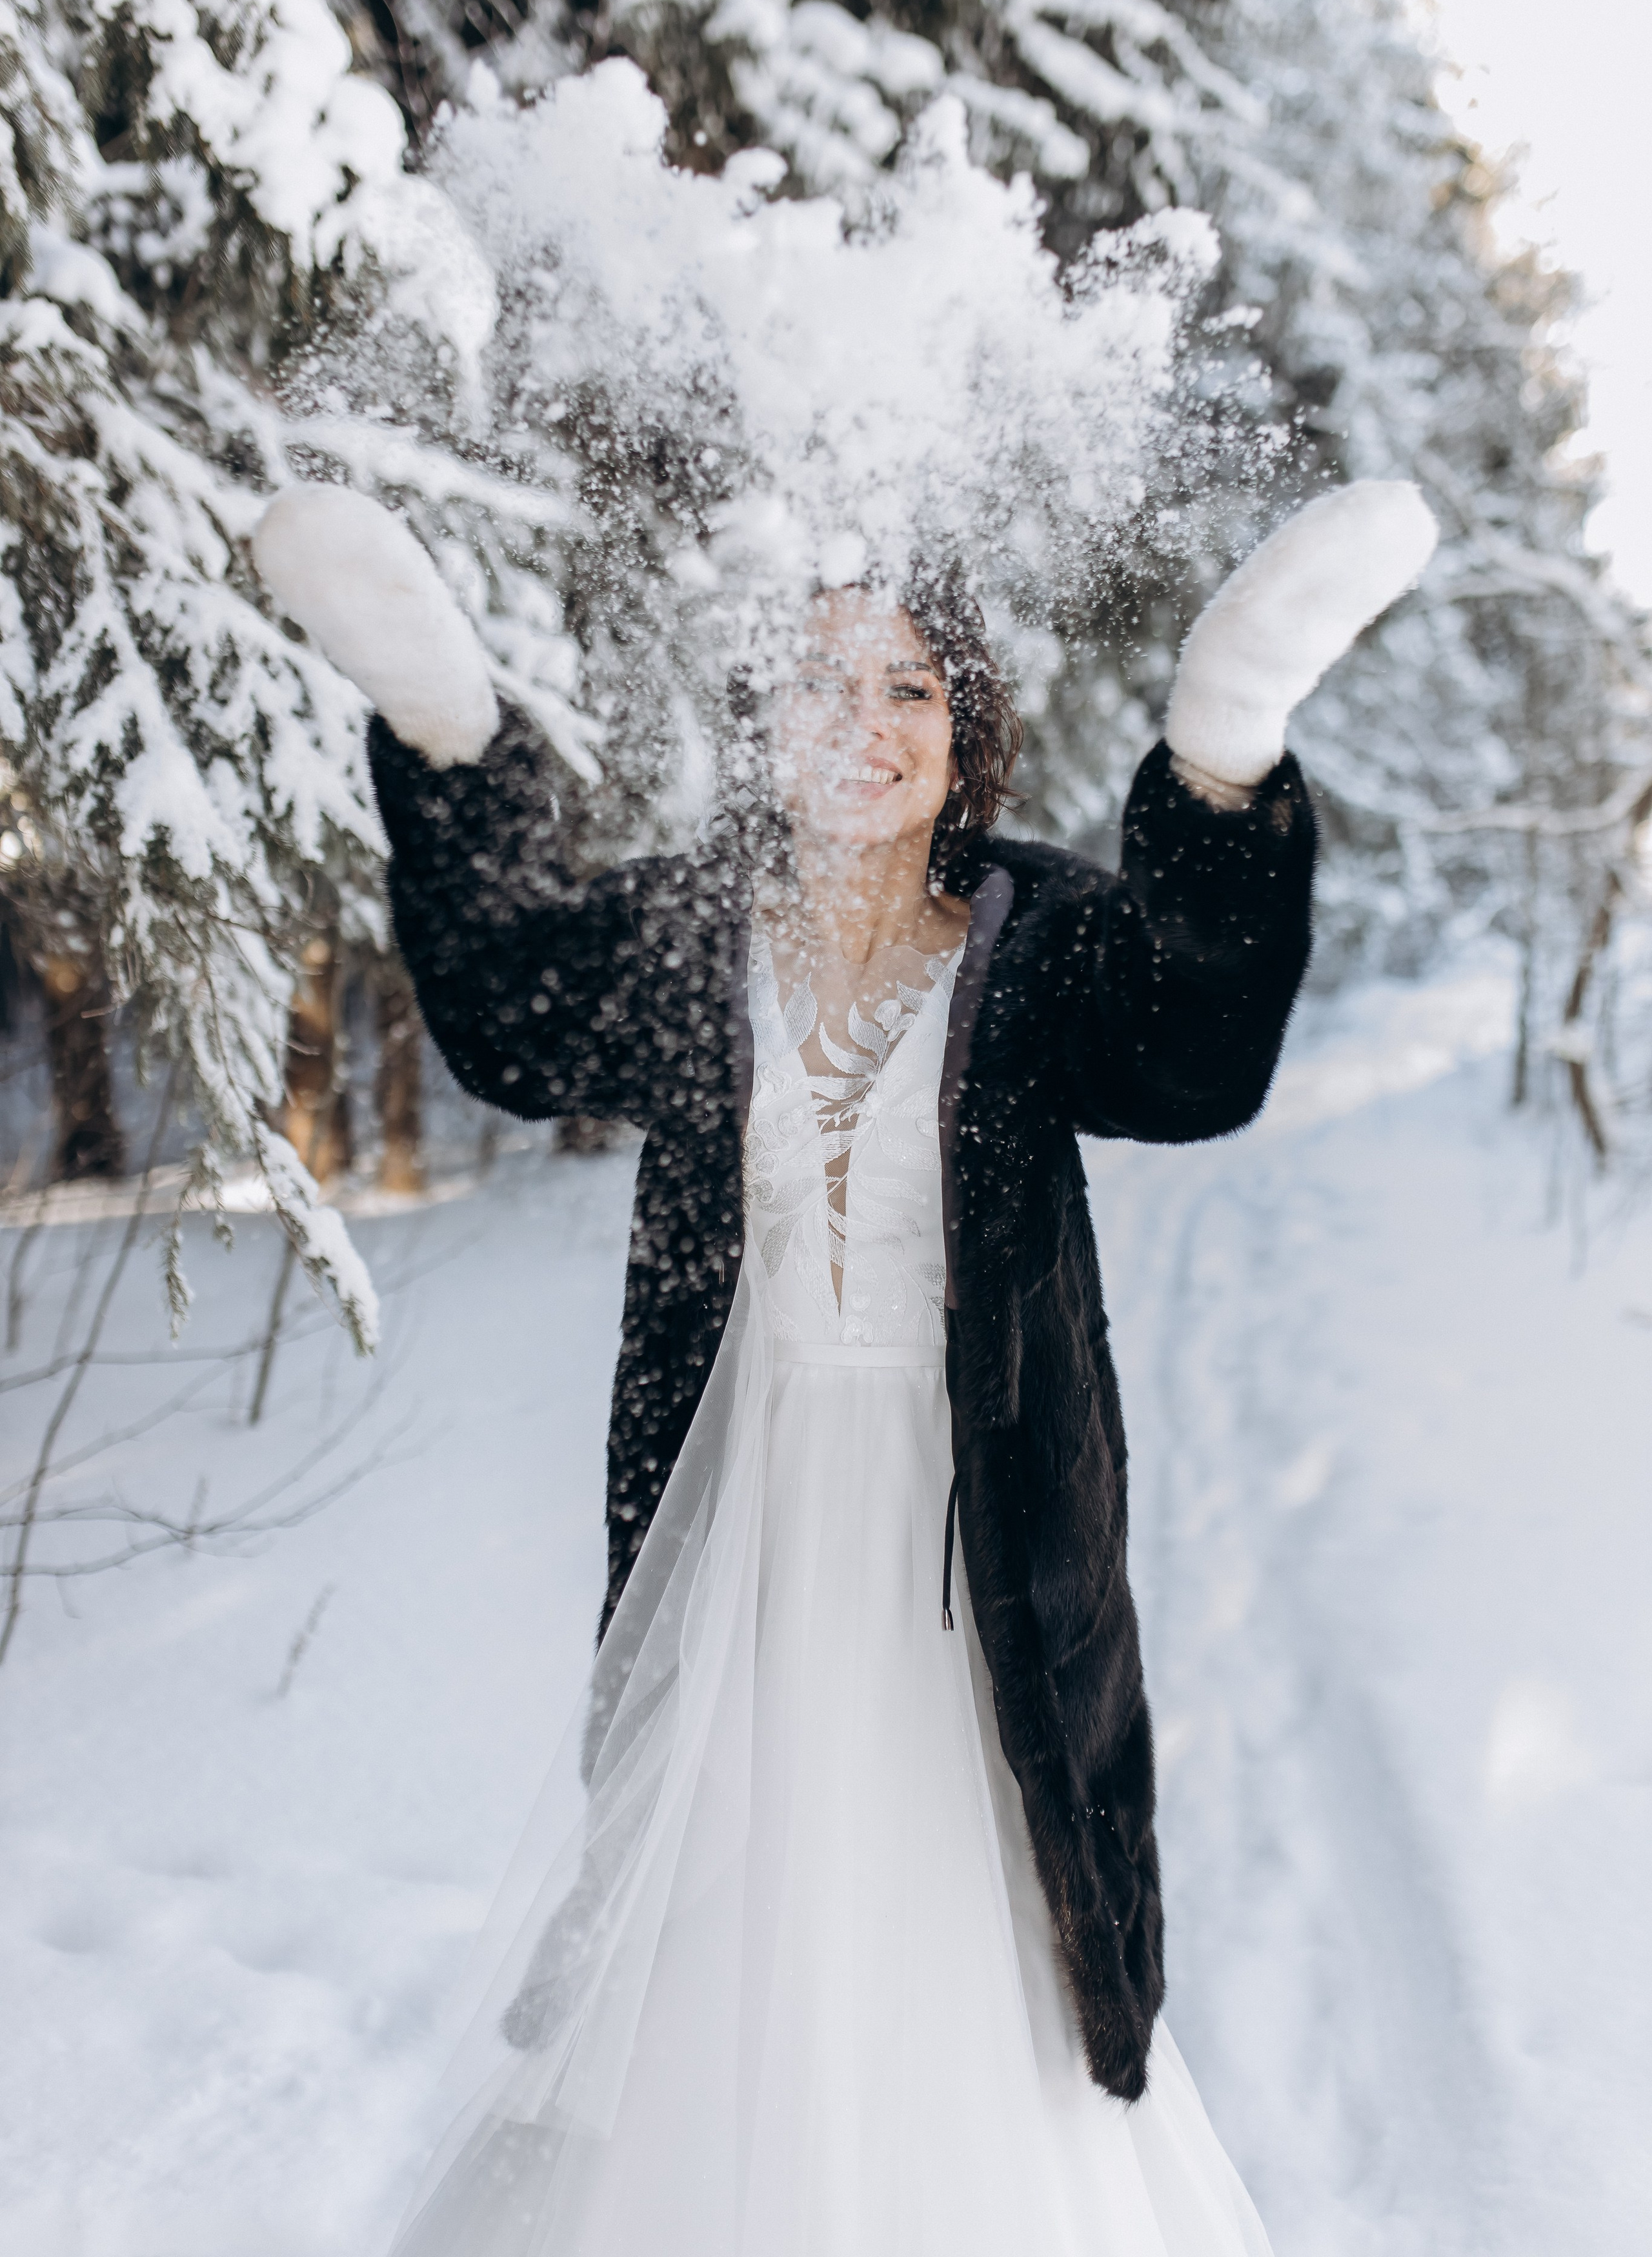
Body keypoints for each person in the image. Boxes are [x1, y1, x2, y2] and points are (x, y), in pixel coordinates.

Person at [255, 477, 1436, 2257]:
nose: (864, 726)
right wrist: (446, 724)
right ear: (761, 717)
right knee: (721, 1920)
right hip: (738, 1535)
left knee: (974, 1932)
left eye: (907, 688)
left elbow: (1203, 1057)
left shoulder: (1036, 948)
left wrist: (1223, 746)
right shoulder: (689, 939)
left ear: (962, 731)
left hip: (983, 1557)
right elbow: (505, 1014)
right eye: (820, 682)